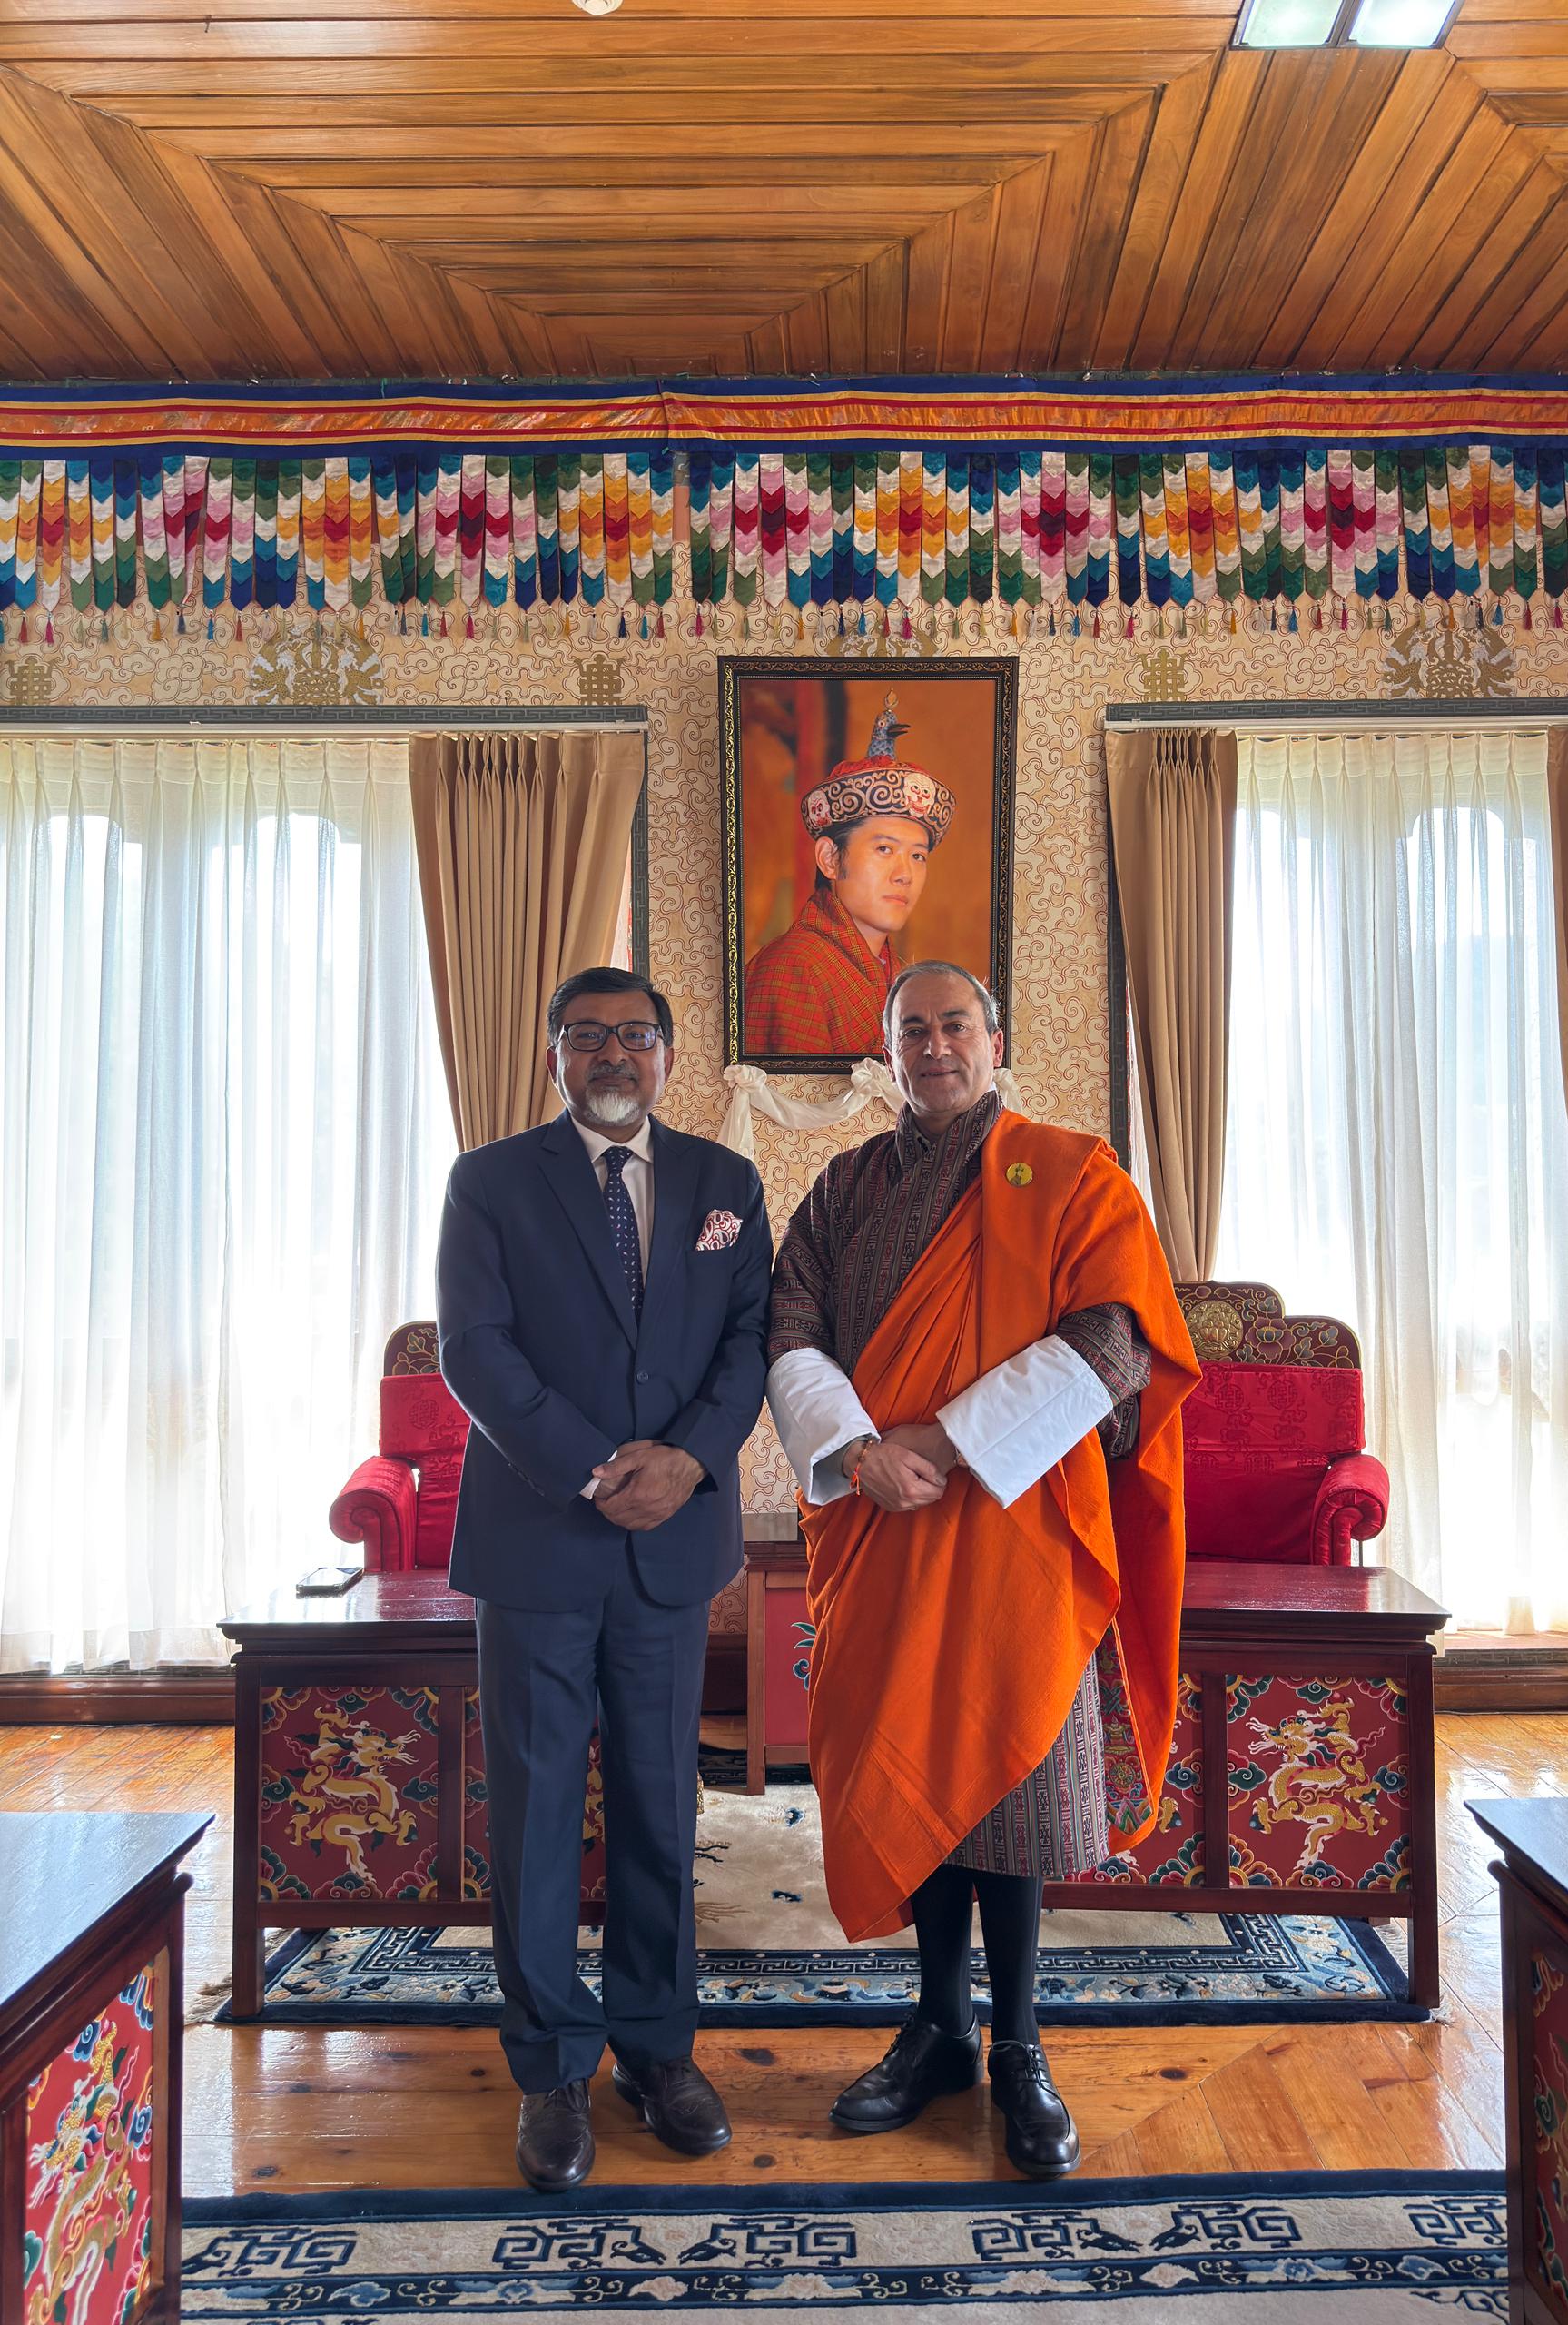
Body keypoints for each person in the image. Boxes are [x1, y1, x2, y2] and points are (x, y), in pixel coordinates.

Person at [765, 962, 1199, 2179]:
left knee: (1008, 1784)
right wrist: (860, 1452)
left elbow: (1114, 1340)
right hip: (882, 1525)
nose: (937, 1046)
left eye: (956, 1024)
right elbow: (789, 1328)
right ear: (888, 1054)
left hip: (1017, 1523)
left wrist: (945, 1443)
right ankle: (938, 2029)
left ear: (996, 1040)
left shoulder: (1072, 1173)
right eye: (913, 1031)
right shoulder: (846, 1186)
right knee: (914, 1766)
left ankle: (1020, 2044)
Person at [437, 966, 772, 2193]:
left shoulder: (728, 1183)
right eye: (587, 1037)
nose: (613, 1055)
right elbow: (476, 1351)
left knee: (659, 1807)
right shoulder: (488, 1182)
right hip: (539, 1541)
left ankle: (657, 2051)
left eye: (636, 1035)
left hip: (671, 1542)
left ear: (669, 1056)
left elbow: (749, 1343)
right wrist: (596, 1471)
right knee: (534, 1813)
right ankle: (550, 2069)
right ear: (554, 1059)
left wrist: (683, 1461)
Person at [745, 692, 956, 1055]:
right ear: (829, 858)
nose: (905, 874)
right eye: (884, 849)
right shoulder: (792, 968)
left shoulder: (895, 975)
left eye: (918, 856)